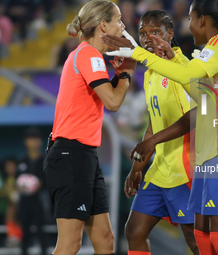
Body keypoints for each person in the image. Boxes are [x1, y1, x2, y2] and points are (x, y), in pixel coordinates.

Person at [102, 0, 218, 254]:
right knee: (201, 237)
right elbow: (200, 92)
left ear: (202, 20)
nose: (188, 25)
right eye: (143, 34)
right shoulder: (212, 49)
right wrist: (170, 58)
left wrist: (137, 53)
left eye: (190, 19)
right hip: (211, 152)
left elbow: (192, 95)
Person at [43, 1, 136, 255]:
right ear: (103, 25)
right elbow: (113, 101)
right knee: (70, 244)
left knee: (105, 240)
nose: (123, 25)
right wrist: (127, 73)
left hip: (82, 156)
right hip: (72, 156)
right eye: (118, 20)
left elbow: (109, 96)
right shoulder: (89, 55)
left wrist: (121, 75)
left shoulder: (89, 57)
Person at [123, 10, 198, 255]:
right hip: (158, 170)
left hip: (185, 167)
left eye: (155, 32)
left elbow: (194, 117)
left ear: (170, 34)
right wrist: (137, 168)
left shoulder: (183, 68)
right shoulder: (150, 73)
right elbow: (153, 125)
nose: (147, 38)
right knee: (134, 231)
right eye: (143, 33)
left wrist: (152, 141)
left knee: (194, 238)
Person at [16, 128, 47, 255]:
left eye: (35, 139)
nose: (33, 142)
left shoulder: (45, 161)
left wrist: (41, 183)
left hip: (40, 200)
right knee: (25, 232)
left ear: (40, 142)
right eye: (30, 139)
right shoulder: (22, 161)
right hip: (24, 201)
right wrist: (21, 185)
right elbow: (17, 180)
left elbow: (49, 180)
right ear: (26, 142)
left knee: (41, 231)